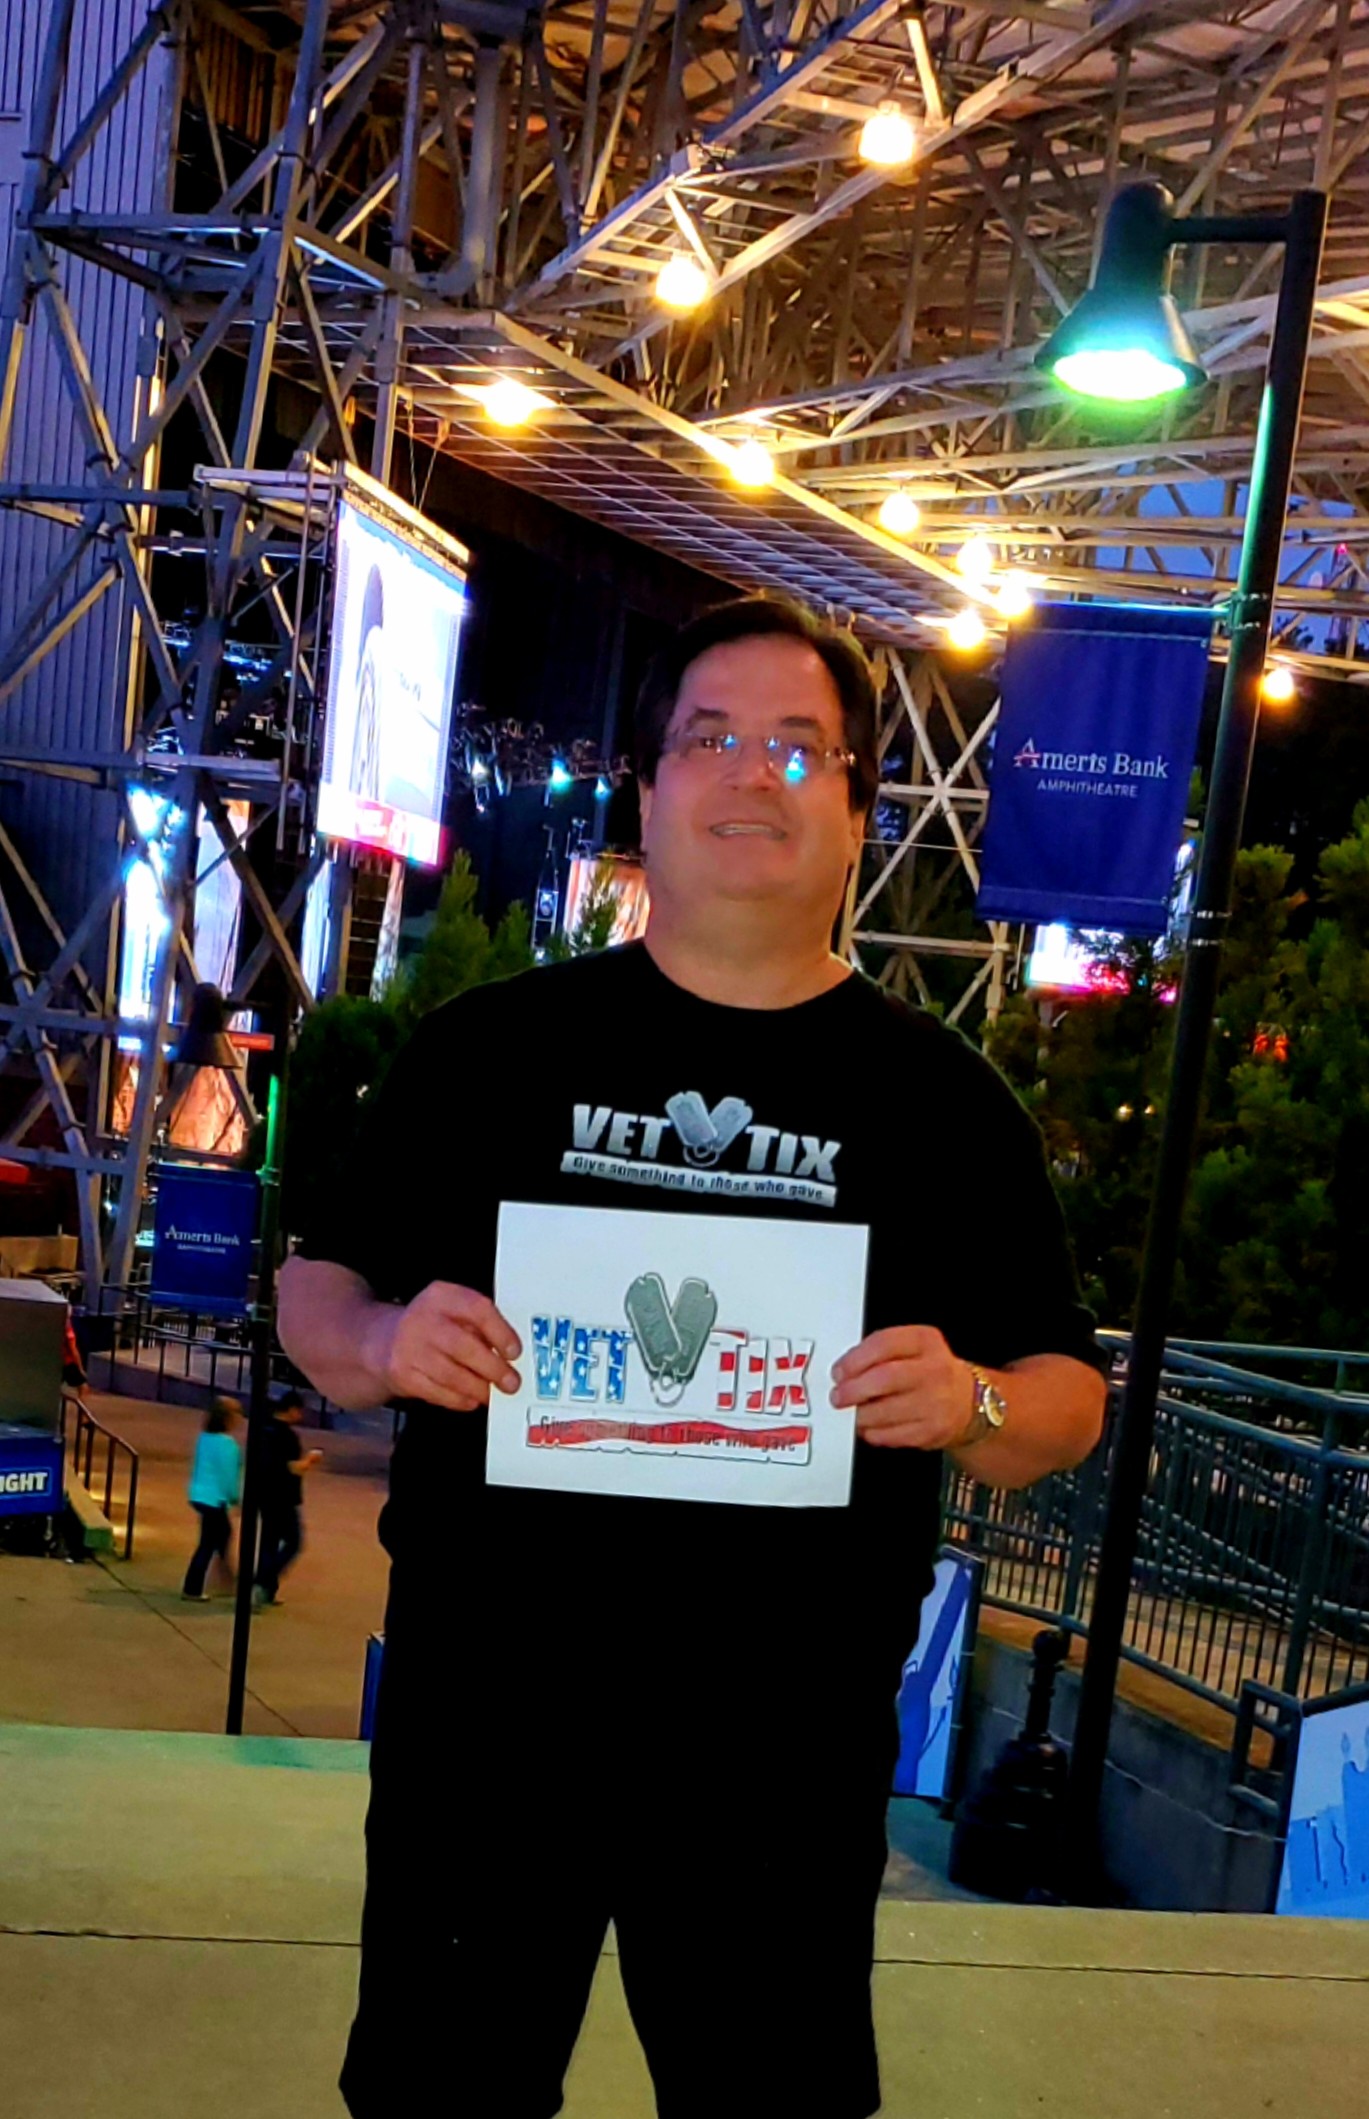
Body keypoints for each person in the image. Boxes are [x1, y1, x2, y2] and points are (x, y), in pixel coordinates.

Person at [279, 594, 1107, 2119]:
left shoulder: (945, 1105)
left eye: (799, 749)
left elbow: (1065, 1395)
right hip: (492, 1714)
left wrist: (970, 1398)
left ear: (857, 807)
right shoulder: (488, 1050)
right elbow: (318, 1290)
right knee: (439, 2091)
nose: (750, 773)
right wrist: (387, 1338)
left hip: (781, 1743)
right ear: (647, 786)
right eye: (709, 737)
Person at [252, 1387, 322, 1610]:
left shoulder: (264, 1429)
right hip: (284, 1496)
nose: (300, 1416)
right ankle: (263, 1581)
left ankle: (265, 1590)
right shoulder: (287, 1436)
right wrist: (310, 1460)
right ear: (291, 1409)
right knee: (294, 1541)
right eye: (299, 1411)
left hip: (265, 1494)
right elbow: (292, 1467)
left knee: (269, 1542)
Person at [181, 1395, 243, 1601]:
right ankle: (195, 1587)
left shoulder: (204, 1438)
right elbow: (228, 1476)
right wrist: (234, 1497)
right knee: (210, 1542)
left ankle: (226, 1578)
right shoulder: (228, 1445)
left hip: (200, 1495)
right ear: (228, 1418)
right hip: (214, 1498)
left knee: (220, 1535)